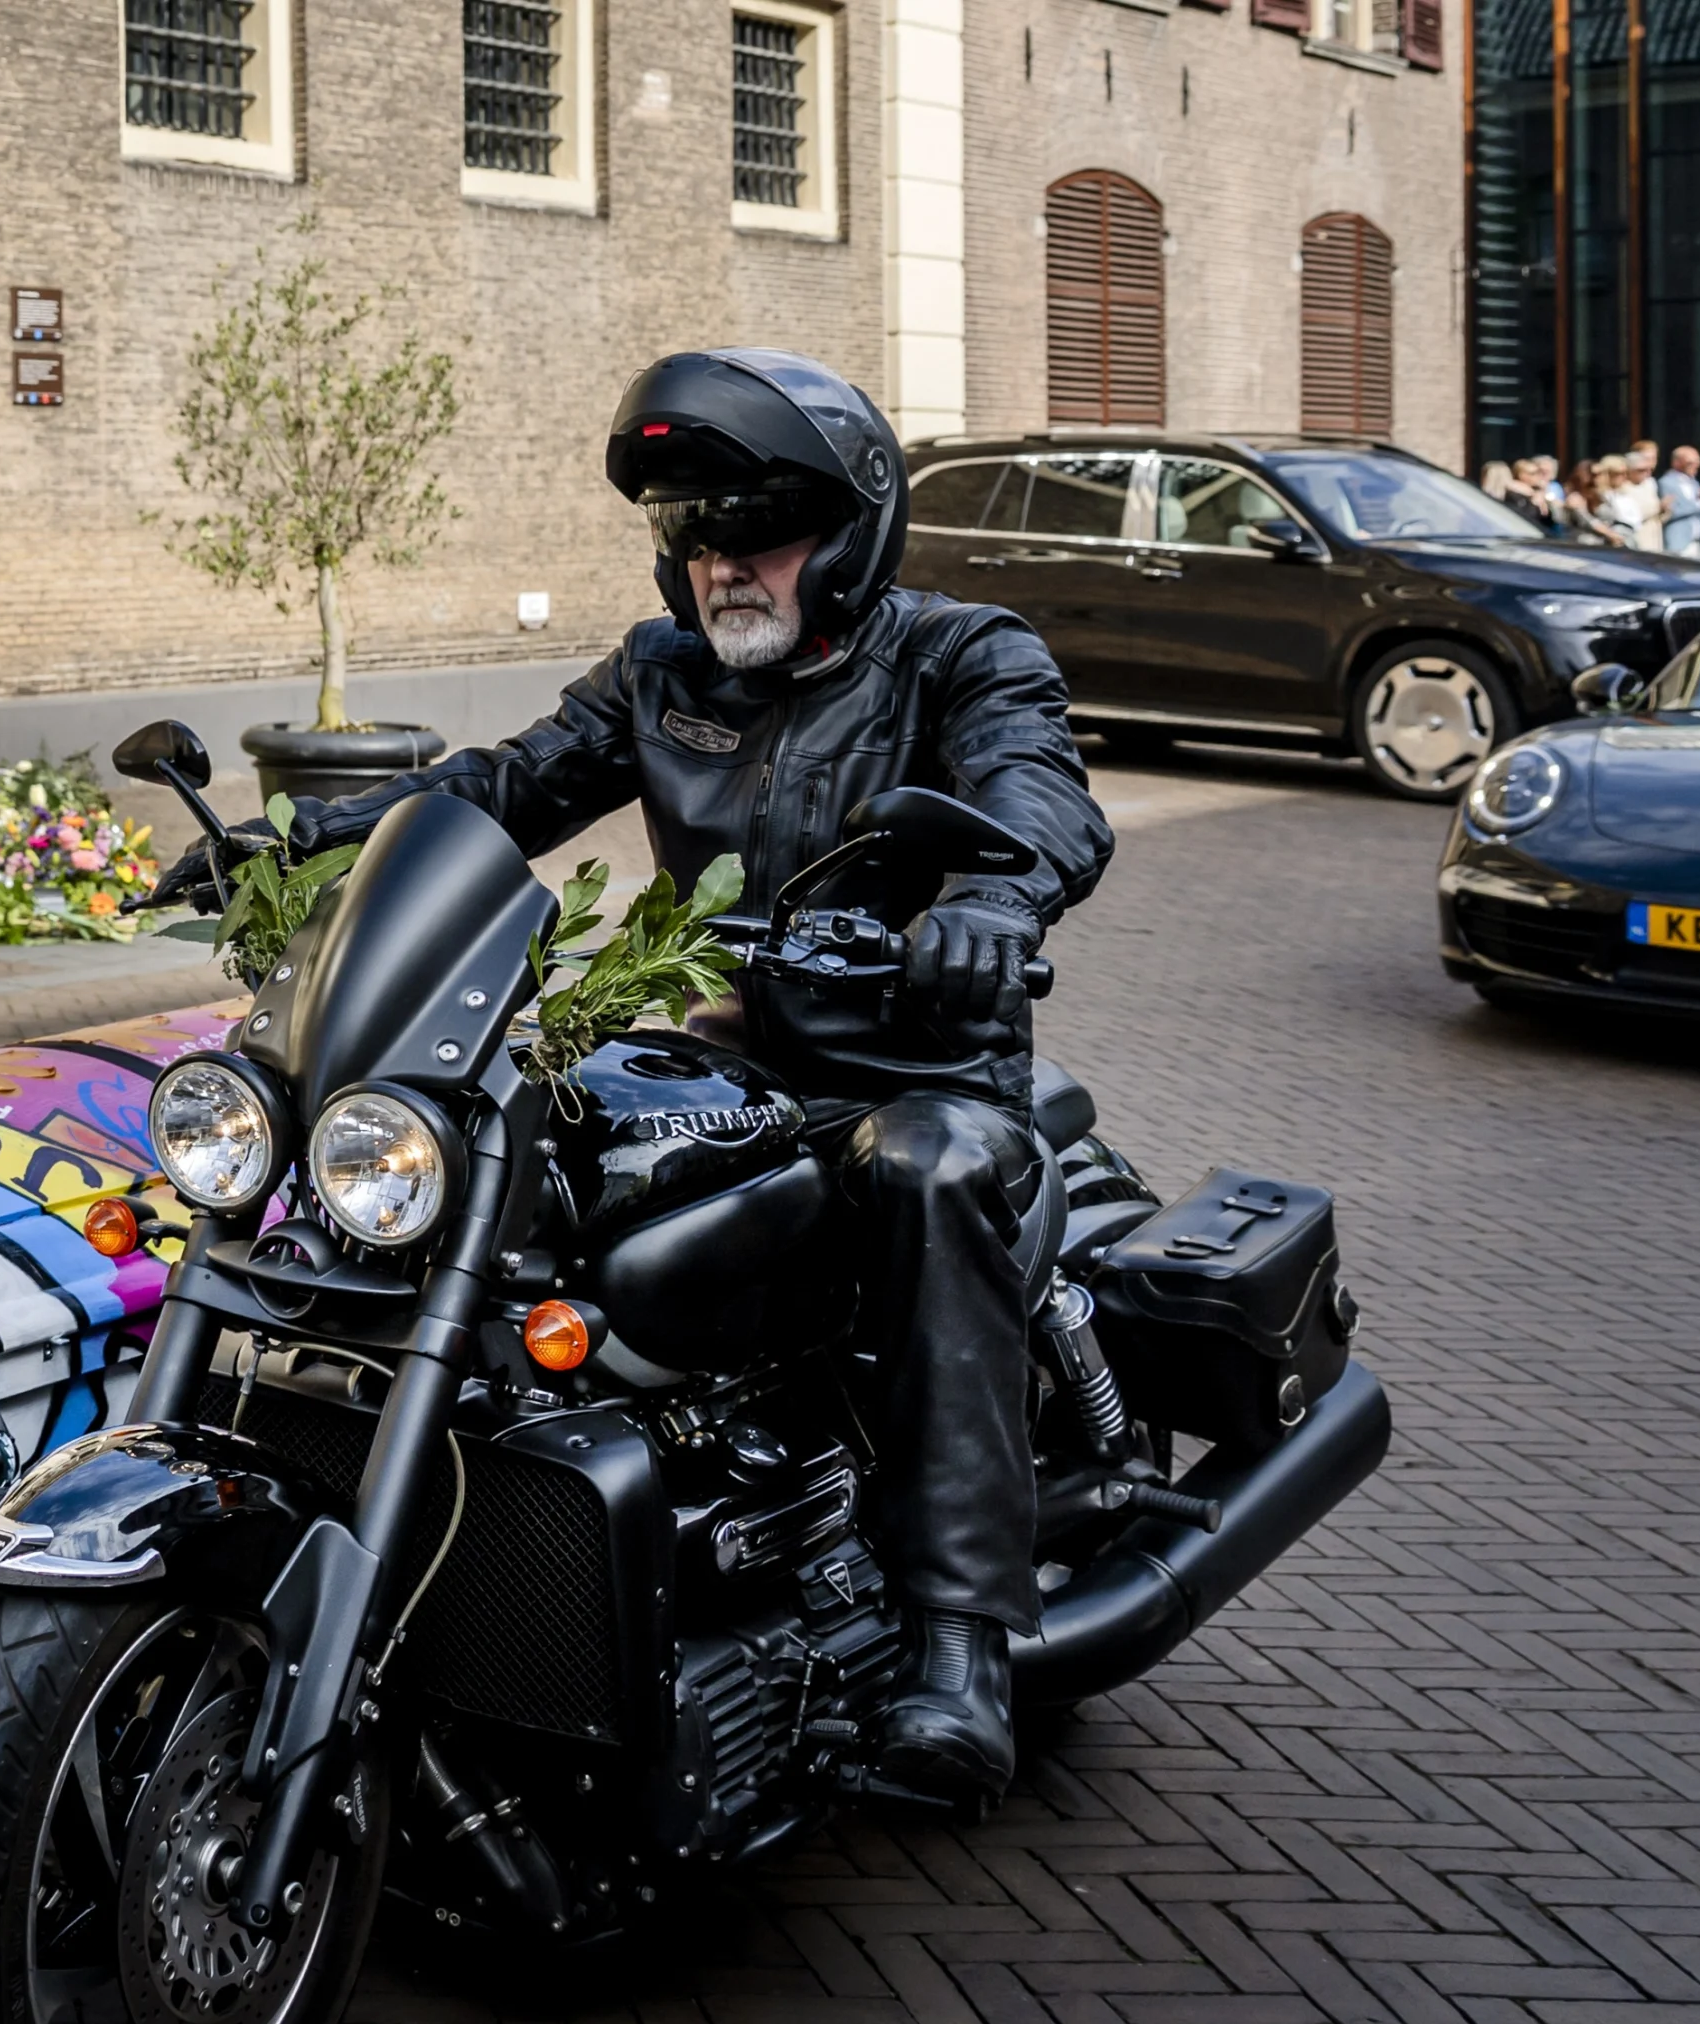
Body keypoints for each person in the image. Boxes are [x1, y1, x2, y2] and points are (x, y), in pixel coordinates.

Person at [151, 349, 1112, 1804]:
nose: (722, 559)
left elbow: (1037, 780)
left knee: (928, 1167)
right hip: (718, 1057)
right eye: (693, 531)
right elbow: (504, 786)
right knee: (492, 1144)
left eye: (757, 527)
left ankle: (956, 1643)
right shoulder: (662, 675)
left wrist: (993, 898)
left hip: (908, 1077)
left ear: (852, 529)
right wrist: (307, 837)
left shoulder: (962, 653)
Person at [1662, 444, 1700, 556]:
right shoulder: (1667, 482)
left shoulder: (1694, 483)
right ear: (1677, 462)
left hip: (1696, 542)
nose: (1696, 466)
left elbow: (1699, 512)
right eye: (1690, 463)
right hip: (1678, 542)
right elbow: (1672, 512)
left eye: (1697, 463)